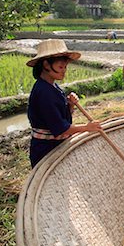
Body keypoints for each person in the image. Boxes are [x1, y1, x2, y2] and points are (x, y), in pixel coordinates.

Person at [26, 39, 102, 168]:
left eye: (65, 67)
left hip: (57, 145)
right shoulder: (44, 92)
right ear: (46, 65)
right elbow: (61, 127)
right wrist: (87, 128)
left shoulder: (52, 86)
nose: (64, 71)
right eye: (61, 67)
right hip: (46, 150)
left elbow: (61, 118)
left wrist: (70, 105)